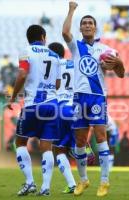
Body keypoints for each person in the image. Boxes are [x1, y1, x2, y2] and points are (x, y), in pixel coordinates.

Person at [62, 1, 125, 197]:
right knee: (80, 141)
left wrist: (119, 63)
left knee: (100, 138)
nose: (88, 25)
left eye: (91, 23)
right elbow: (65, 33)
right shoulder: (76, 46)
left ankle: (104, 182)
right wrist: (72, 10)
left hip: (97, 98)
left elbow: (121, 74)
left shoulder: (105, 50)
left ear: (95, 27)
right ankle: (83, 180)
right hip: (79, 98)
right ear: (80, 28)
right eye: (85, 23)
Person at [7, 24, 61, 196]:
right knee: (47, 146)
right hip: (52, 104)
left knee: (21, 142)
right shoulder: (54, 55)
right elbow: (58, 84)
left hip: (32, 104)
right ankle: (45, 187)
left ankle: (30, 182)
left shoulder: (26, 52)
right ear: (43, 37)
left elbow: (22, 74)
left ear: (28, 38)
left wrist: (13, 96)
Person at [48, 42, 76, 194]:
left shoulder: (51, 66)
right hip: (75, 108)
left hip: (59, 108)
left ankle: (72, 184)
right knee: (77, 142)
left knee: (59, 150)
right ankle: (80, 147)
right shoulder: (74, 64)